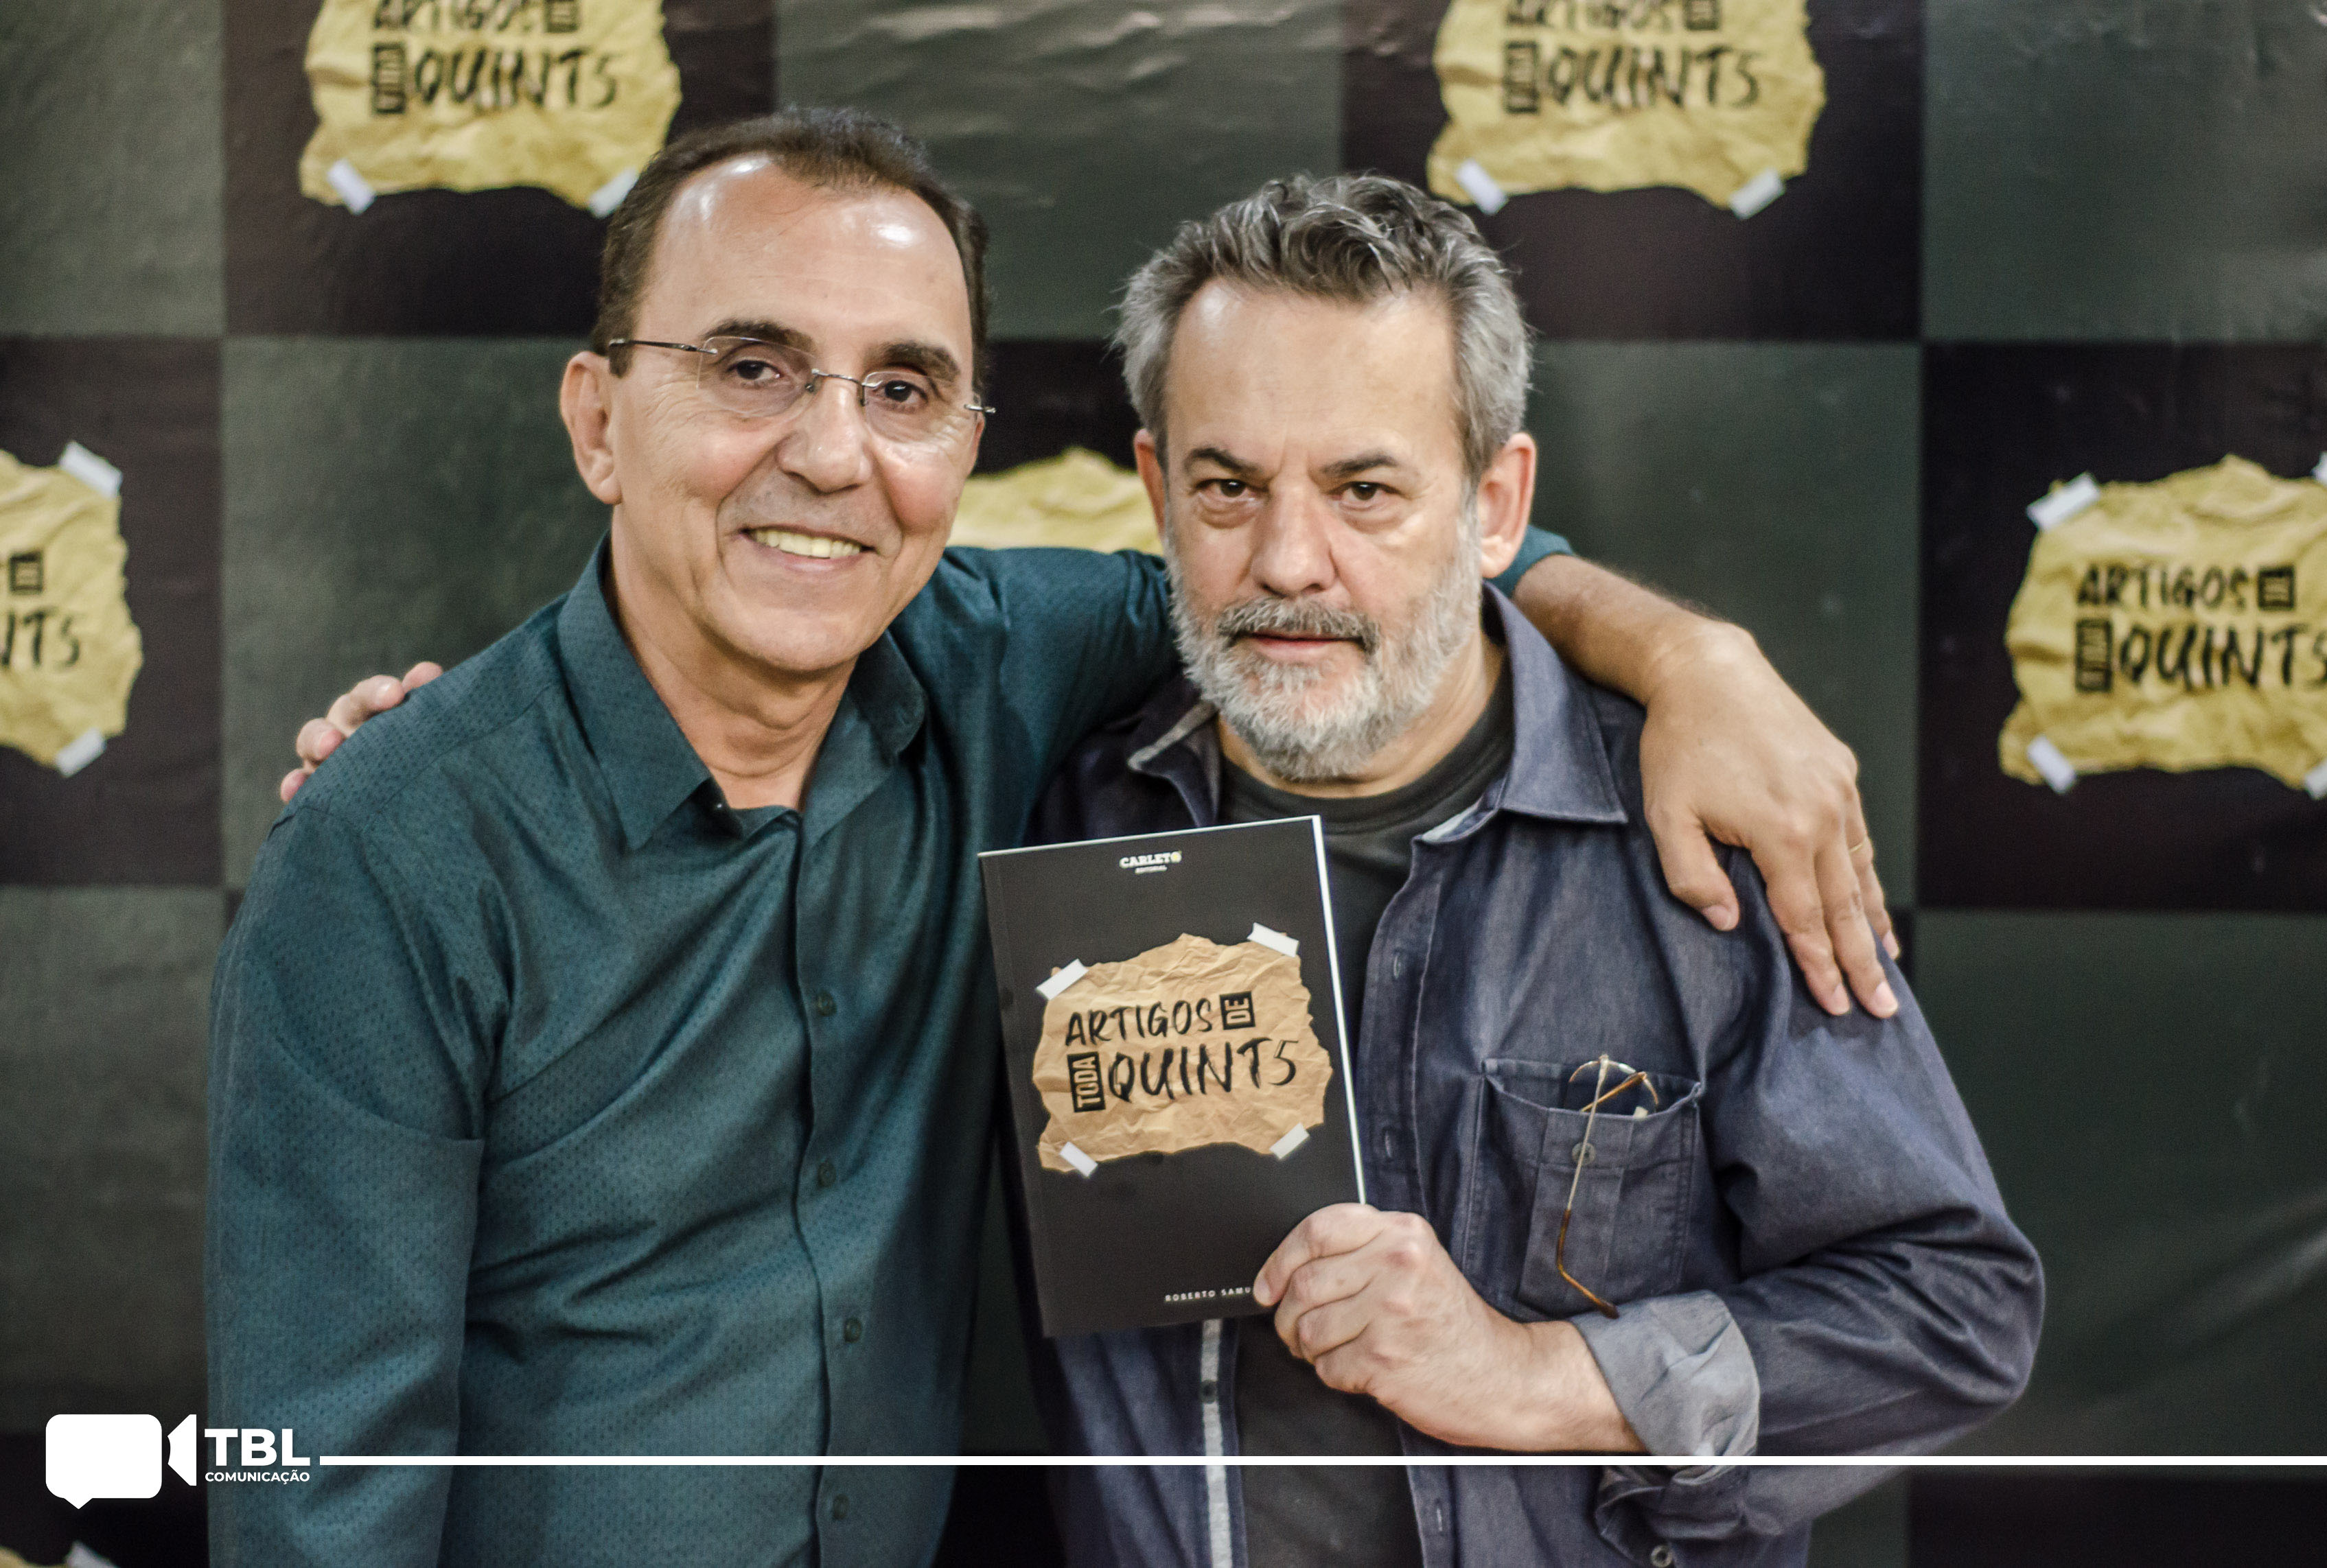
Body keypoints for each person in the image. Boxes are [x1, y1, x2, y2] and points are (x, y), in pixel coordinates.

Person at [220, 108, 1895, 1566]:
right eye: (749, 368)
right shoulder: (395, 851)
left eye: (904, 389)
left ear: (966, 445)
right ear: (599, 419)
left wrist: (1693, 657)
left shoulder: (1008, 662)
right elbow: (312, 1481)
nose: (830, 452)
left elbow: (1357, 570)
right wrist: (405, 780)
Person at [1023, 174, 2043, 1568]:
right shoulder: (1057, 811)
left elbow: (1952, 1311)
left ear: (1496, 504)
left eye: (1365, 490)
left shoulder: (1697, 834)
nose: (1288, 561)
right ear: (1157, 491)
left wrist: (1534, 1377)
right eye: (1228, 488)